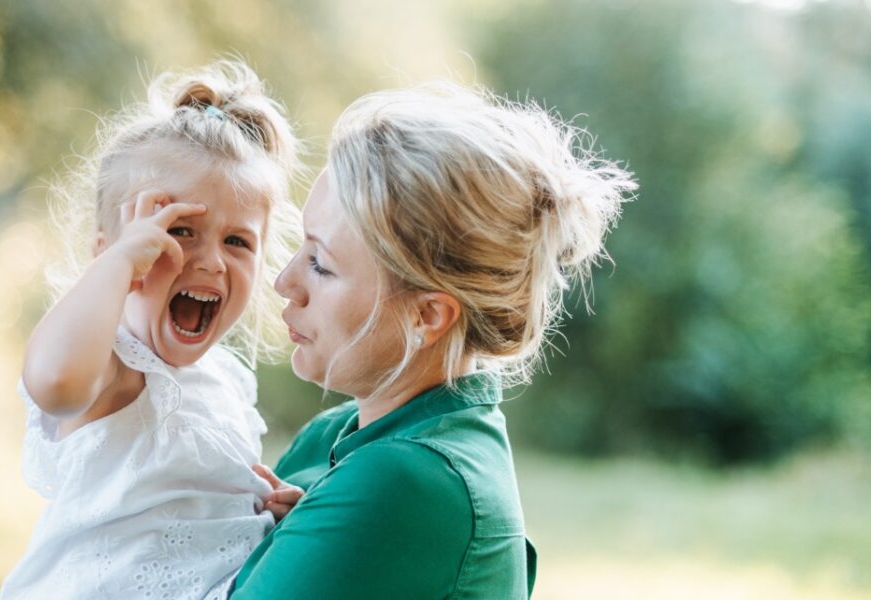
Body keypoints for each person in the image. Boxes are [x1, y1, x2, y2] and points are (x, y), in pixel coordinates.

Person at [231, 81, 636, 598]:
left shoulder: (406, 481)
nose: (284, 281)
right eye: (300, 246)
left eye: (320, 265)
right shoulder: (337, 433)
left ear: (428, 314)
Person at [0, 60, 301, 599]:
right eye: (179, 231)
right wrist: (118, 267)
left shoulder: (228, 383)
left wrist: (267, 514)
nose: (210, 261)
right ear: (106, 249)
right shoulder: (112, 368)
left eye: (238, 242)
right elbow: (55, 383)